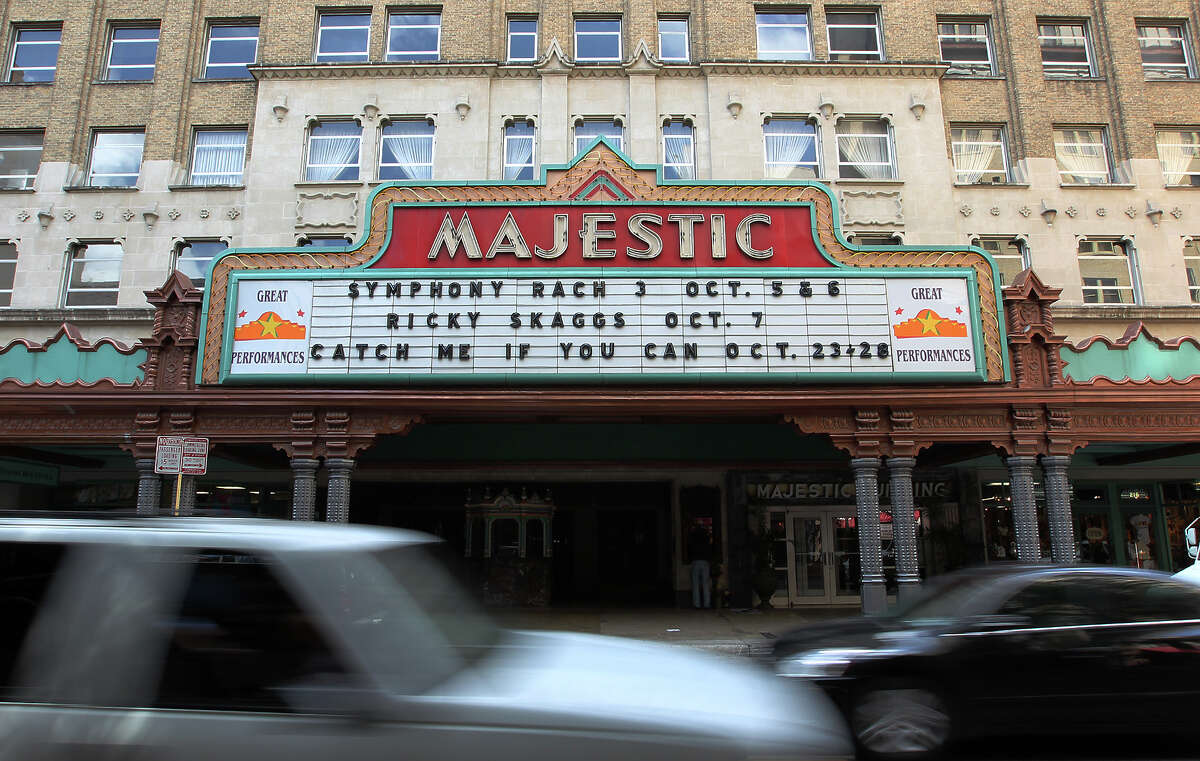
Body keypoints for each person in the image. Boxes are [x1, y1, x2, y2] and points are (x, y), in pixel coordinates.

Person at [688, 524, 713, 609]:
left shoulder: (693, 538)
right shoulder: (706, 538)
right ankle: (707, 604)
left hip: (695, 561)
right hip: (705, 561)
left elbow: (690, 549)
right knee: (705, 584)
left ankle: (696, 604)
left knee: (695, 584)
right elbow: (710, 549)